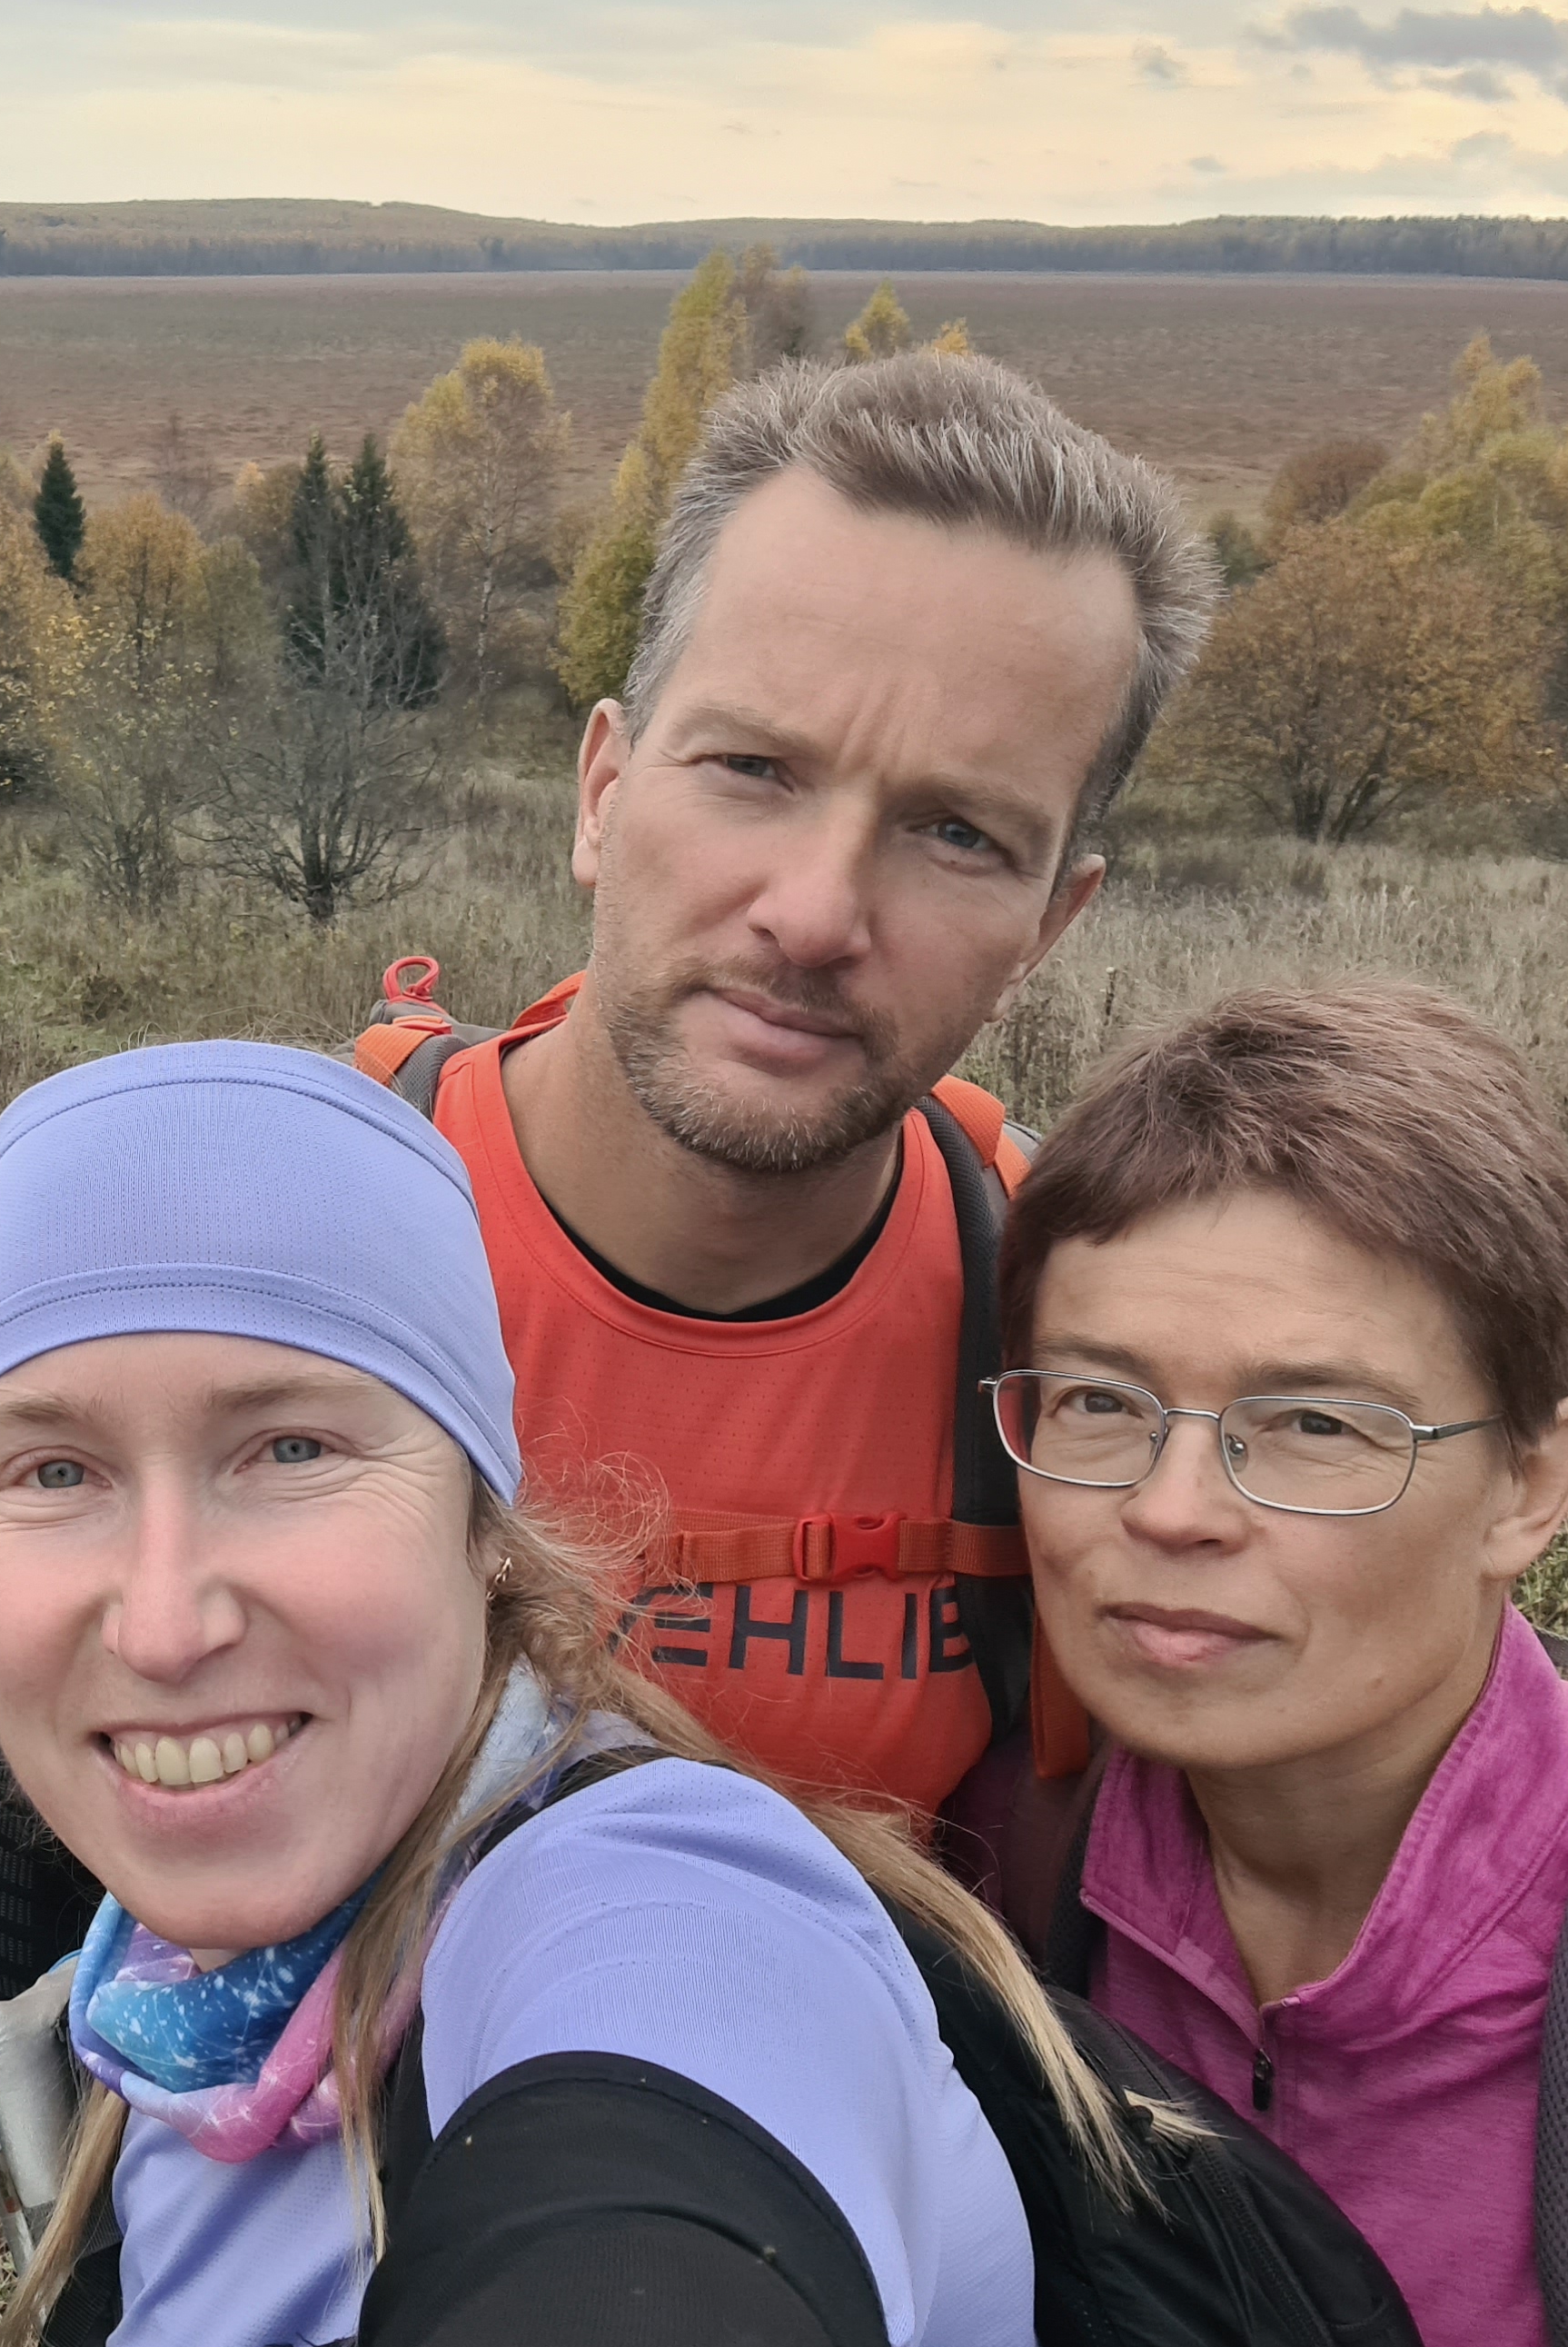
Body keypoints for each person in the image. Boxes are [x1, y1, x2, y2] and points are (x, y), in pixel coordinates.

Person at [0, 1040, 1108, 2347]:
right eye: (53, 1471)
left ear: (485, 1523)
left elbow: (660, 2255)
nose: (162, 1626)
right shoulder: (197, 1995)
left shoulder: (672, 1907)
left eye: (293, 1449)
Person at [360, 348, 1219, 1822]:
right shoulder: (292, 1225)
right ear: (601, 792)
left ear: (1046, 927)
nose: (816, 915)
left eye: (957, 834)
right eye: (753, 768)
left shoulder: (1084, 1341)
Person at [997, 980, 1568, 2347]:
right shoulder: (1006, 1880)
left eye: (1312, 1424)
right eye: (1099, 1402)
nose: (1171, 1511)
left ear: (1532, 1485)